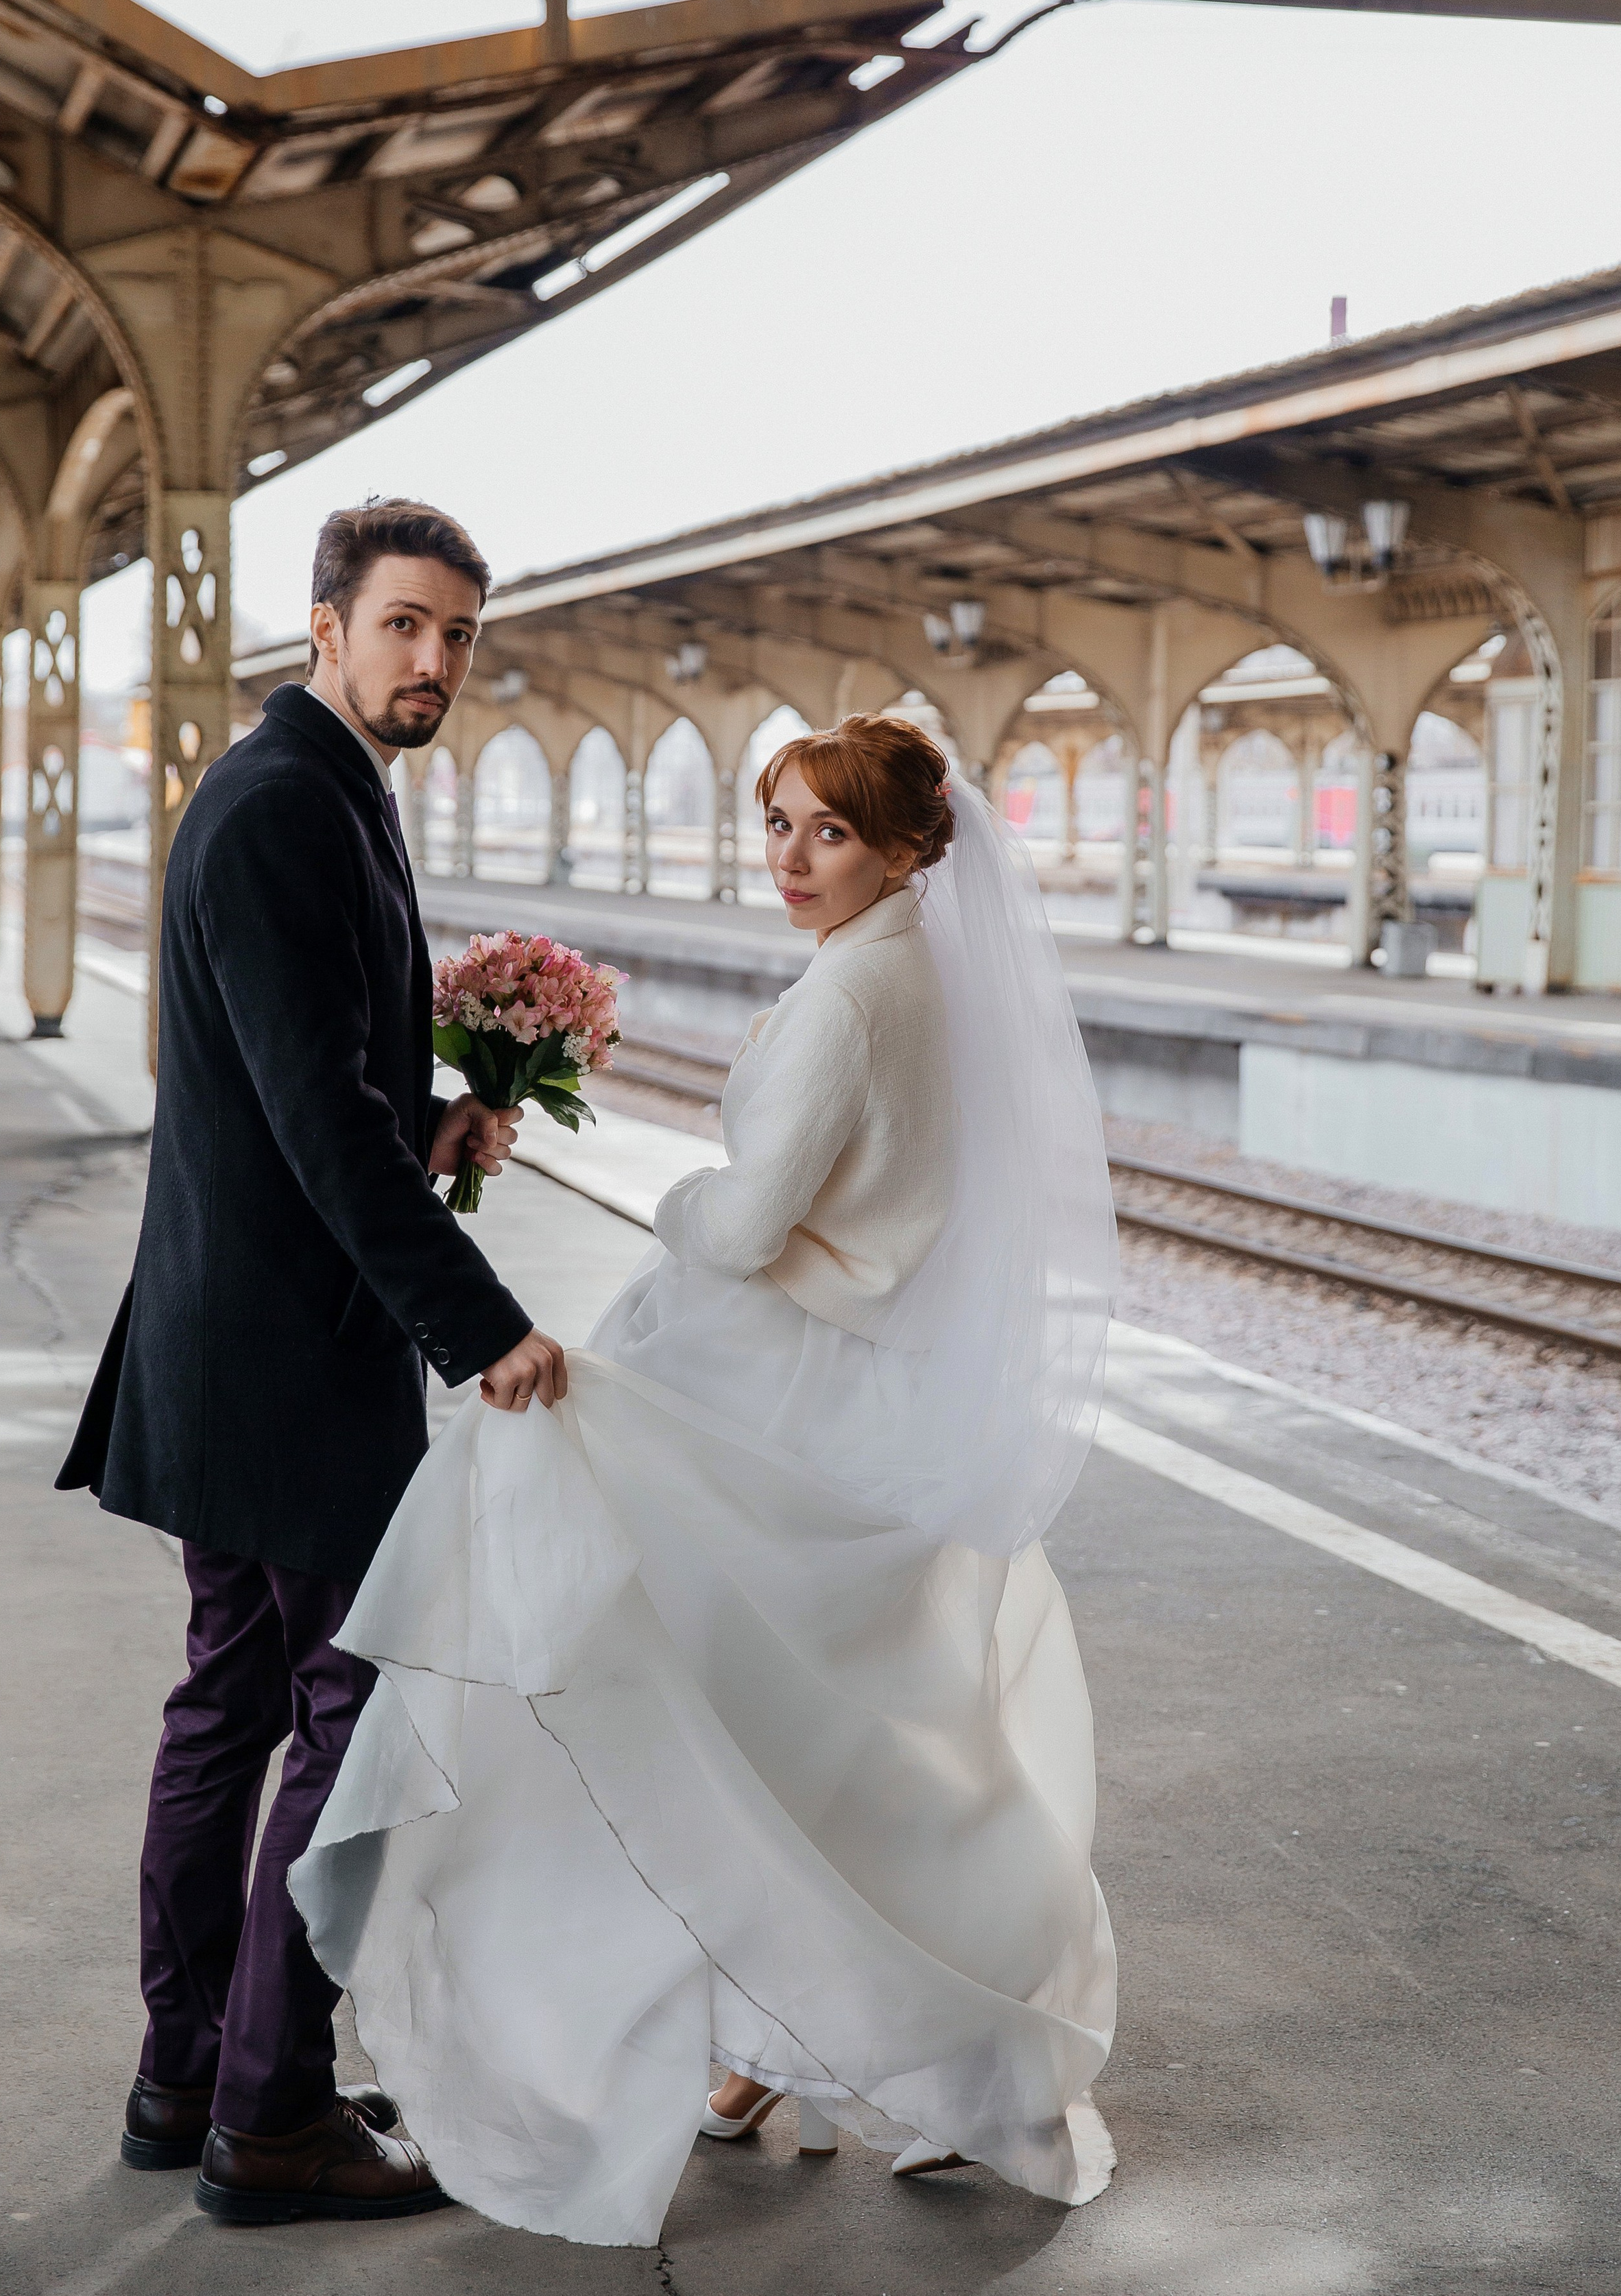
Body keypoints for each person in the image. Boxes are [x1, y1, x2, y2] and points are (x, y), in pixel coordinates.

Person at [291, 713, 1120, 2248]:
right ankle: (794, 2055)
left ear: (906, 850)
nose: (793, 860)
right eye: (778, 824)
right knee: (841, 1744)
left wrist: (672, 1192)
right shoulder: (927, 976)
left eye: (830, 833)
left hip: (774, 1398)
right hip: (872, 1399)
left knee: (702, 1722)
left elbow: (740, 1230)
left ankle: (811, 2045)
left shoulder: (848, 998)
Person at [57, 498, 568, 2227]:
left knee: (232, 1703)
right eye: (405, 625)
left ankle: (191, 2071)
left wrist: (428, 1120)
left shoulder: (312, 785)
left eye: (458, 635)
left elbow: (320, 1089)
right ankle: (268, 2115)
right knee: (345, 1716)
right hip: (287, 1360)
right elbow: (315, 1129)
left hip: (231, 1339)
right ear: (326, 626)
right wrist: (481, 1325)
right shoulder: (288, 803)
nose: (434, 661)